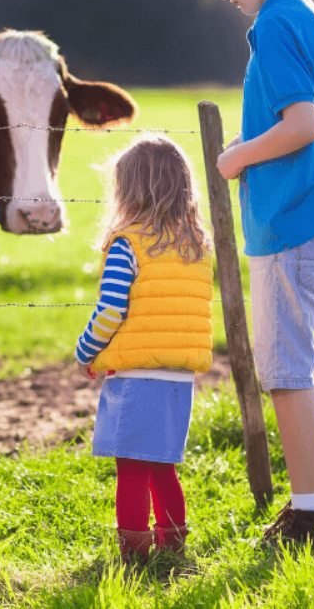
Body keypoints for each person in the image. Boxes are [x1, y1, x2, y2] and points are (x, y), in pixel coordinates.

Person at [195, 0, 314, 547]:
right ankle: (312, 505)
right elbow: (294, 119)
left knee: (286, 373)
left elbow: (303, 126)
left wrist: (236, 157)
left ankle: (312, 517)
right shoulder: (309, 14)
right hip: (310, 209)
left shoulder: (275, 22)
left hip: (293, 218)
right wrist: (251, 143)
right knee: (286, 369)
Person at [74, 134, 214, 564]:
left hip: (137, 378)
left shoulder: (128, 242)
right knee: (162, 467)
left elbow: (111, 308)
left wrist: (85, 351)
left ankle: (133, 556)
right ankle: (172, 549)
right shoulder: (194, 244)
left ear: (126, 190)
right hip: (179, 378)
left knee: (131, 469)